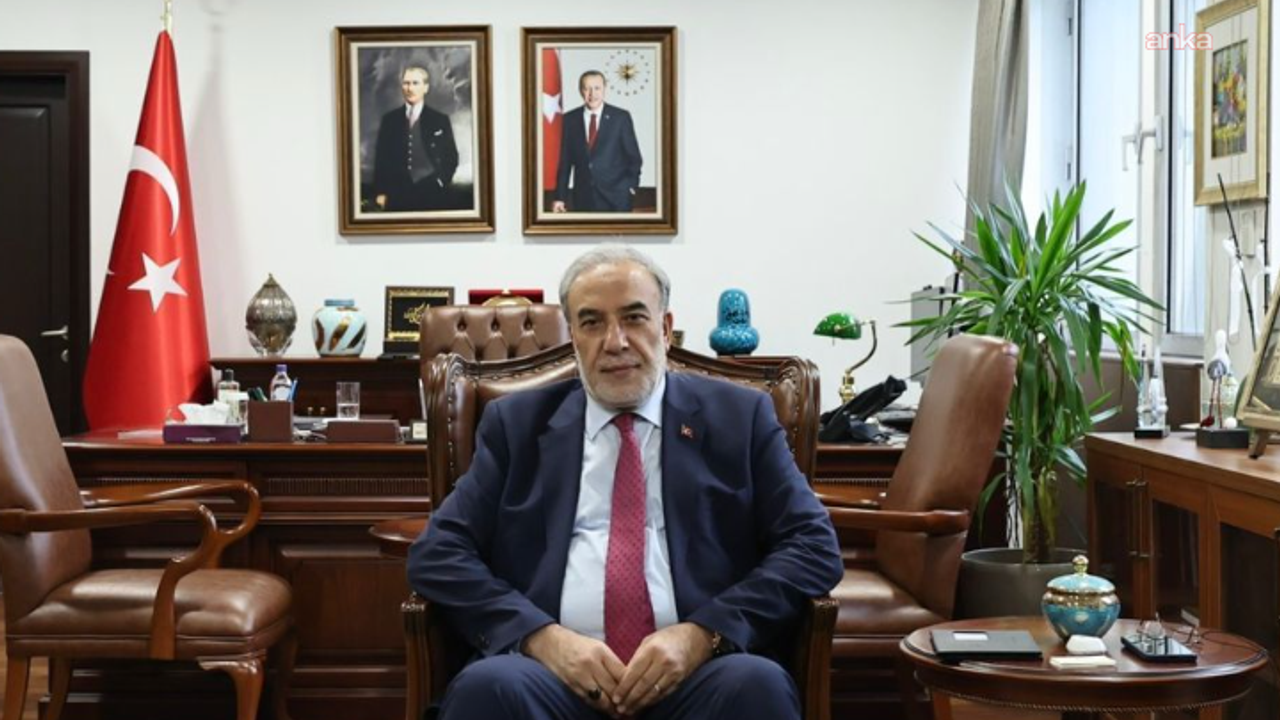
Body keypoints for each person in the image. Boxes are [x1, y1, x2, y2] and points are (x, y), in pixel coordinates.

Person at [408, 245, 843, 720]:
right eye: (592, 322)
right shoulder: (516, 425)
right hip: (550, 679)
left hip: (700, 674)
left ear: (666, 328)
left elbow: (813, 545)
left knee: (756, 685)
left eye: (634, 318)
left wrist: (704, 635)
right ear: (573, 336)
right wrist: (539, 638)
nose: (615, 342)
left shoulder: (739, 418)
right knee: (488, 687)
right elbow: (439, 552)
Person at [552, 71, 643, 213]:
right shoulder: (569, 120)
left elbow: (634, 158)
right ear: (581, 91)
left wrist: (630, 186)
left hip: (617, 199)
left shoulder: (620, 118)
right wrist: (560, 197)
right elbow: (565, 162)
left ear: (604, 89)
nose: (592, 94)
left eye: (597, 88)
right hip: (583, 198)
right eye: (587, 88)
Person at [372, 65, 459, 212]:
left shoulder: (440, 120)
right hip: (397, 192)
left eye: (415, 83)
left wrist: (441, 181)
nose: (410, 88)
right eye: (406, 83)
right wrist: (381, 191)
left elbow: (451, 156)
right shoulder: (389, 120)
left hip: (431, 191)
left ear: (425, 87)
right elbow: (381, 158)